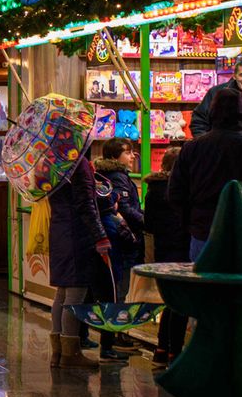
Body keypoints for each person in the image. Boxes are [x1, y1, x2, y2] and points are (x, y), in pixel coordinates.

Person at [171, 88, 242, 256]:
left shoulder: (192, 148)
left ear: (212, 112)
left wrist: (193, 224)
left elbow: (176, 192)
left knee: (204, 282)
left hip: (204, 234)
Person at [47, 154, 110, 370]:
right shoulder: (77, 163)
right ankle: (70, 352)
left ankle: (58, 351)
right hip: (77, 233)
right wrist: (100, 236)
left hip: (59, 229)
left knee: (62, 292)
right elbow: (85, 205)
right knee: (75, 292)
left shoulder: (51, 161)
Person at [93, 138, 144, 359]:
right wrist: (145, 221)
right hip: (122, 241)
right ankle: (115, 336)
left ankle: (116, 335)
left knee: (117, 290)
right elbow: (126, 207)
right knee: (118, 290)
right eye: (128, 152)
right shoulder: (117, 178)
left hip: (120, 240)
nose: (132, 156)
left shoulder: (112, 177)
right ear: (115, 157)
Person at [143, 147, 186, 368]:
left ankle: (161, 349)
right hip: (180, 251)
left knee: (170, 302)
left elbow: (147, 224)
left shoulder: (153, 190)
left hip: (161, 252)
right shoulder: (181, 189)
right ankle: (174, 353)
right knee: (179, 305)